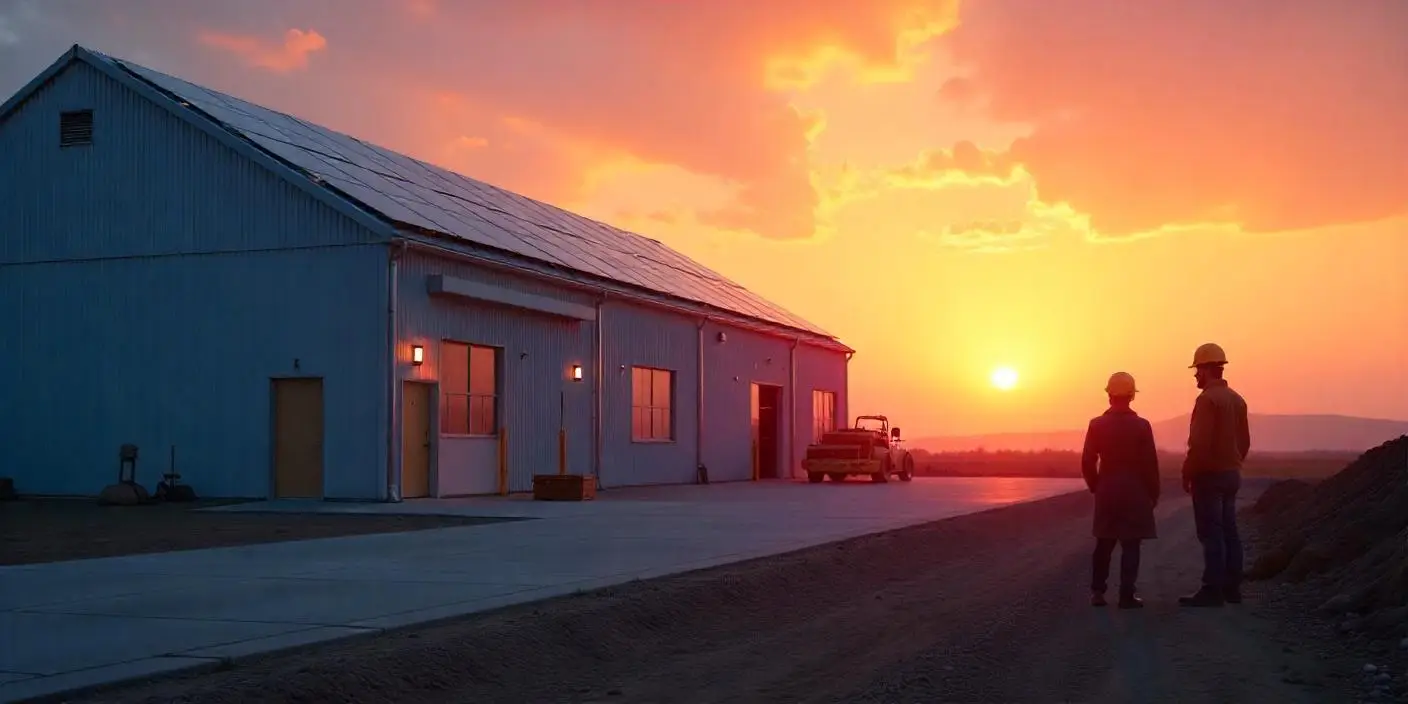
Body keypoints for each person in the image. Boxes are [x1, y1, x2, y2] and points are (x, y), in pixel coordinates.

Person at [1178, 342, 1251, 608]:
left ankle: (1212, 590)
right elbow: (1244, 442)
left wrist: (1188, 472)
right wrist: (1233, 463)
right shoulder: (1237, 399)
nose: (1196, 375)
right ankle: (1232, 589)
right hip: (1232, 473)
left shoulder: (1207, 400)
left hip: (1209, 476)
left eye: (1198, 369)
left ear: (1208, 369)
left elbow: (1198, 444)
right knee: (1230, 531)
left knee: (1211, 533)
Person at [1081, 371, 1161, 609]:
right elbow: (1150, 464)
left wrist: (1096, 485)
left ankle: (1098, 593)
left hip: (1107, 490)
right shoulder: (1142, 426)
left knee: (1104, 543)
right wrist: (1153, 493)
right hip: (1135, 491)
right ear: (1131, 396)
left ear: (1109, 396)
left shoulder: (1096, 425)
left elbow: (1087, 461)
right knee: (1131, 544)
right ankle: (1127, 595)